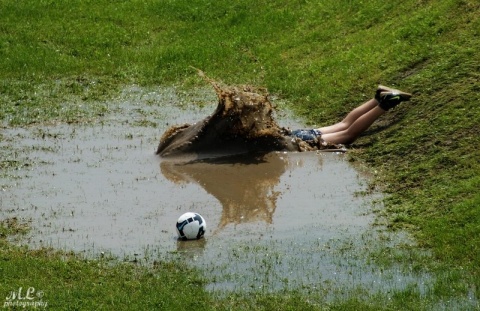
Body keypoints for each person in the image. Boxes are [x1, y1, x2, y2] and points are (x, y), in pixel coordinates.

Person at [290, 85, 412, 145]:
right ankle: (378, 98)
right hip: (295, 135)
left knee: (348, 135)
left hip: (294, 143)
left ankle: (387, 102)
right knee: (344, 124)